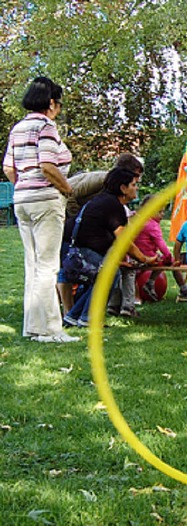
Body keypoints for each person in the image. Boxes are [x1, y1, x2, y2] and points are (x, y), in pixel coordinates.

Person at [2, 76, 79, 343]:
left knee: (33, 264)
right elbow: (48, 165)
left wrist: (24, 186)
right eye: (58, 105)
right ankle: (51, 330)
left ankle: (33, 327)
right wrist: (67, 189)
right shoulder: (46, 126)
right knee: (48, 266)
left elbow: (9, 168)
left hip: (22, 200)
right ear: (51, 103)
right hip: (45, 201)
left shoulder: (18, 128)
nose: (58, 110)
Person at [63, 167, 157, 327]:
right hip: (83, 250)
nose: (137, 188)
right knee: (109, 275)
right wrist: (144, 259)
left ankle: (73, 317)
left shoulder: (105, 201)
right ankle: (88, 319)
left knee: (100, 278)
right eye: (134, 184)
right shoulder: (113, 205)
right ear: (123, 188)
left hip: (76, 247)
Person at [133, 194, 187, 302]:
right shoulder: (152, 225)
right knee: (171, 262)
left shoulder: (136, 220)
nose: (162, 215)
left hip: (135, 257)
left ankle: (150, 283)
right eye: (160, 212)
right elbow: (161, 244)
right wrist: (169, 257)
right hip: (147, 259)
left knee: (162, 259)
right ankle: (183, 289)